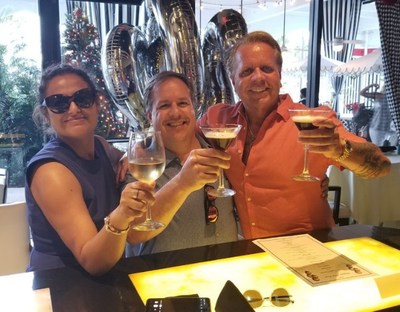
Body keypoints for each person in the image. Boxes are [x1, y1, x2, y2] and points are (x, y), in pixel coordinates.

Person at [198, 31, 391, 239]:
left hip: (310, 247)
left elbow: (381, 166)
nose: (258, 77)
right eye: (246, 71)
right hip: (251, 251)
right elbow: (181, 142)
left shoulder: (317, 122)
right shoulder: (218, 118)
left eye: (267, 69)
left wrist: (341, 149)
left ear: (280, 77)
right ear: (233, 80)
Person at [26, 64, 156, 275]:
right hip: (62, 287)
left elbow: (136, 154)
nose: (74, 109)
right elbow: (92, 261)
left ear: (97, 103)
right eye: (58, 102)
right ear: (46, 114)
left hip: (106, 280)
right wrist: (122, 214)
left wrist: (129, 155)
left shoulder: (100, 146)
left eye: (83, 97)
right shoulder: (50, 172)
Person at [125, 71, 238, 255]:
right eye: (164, 105)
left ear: (194, 109)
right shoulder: (140, 164)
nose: (176, 113)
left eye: (183, 103)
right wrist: (182, 183)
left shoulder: (218, 148)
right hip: (167, 279)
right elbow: (132, 232)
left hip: (225, 274)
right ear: (149, 116)